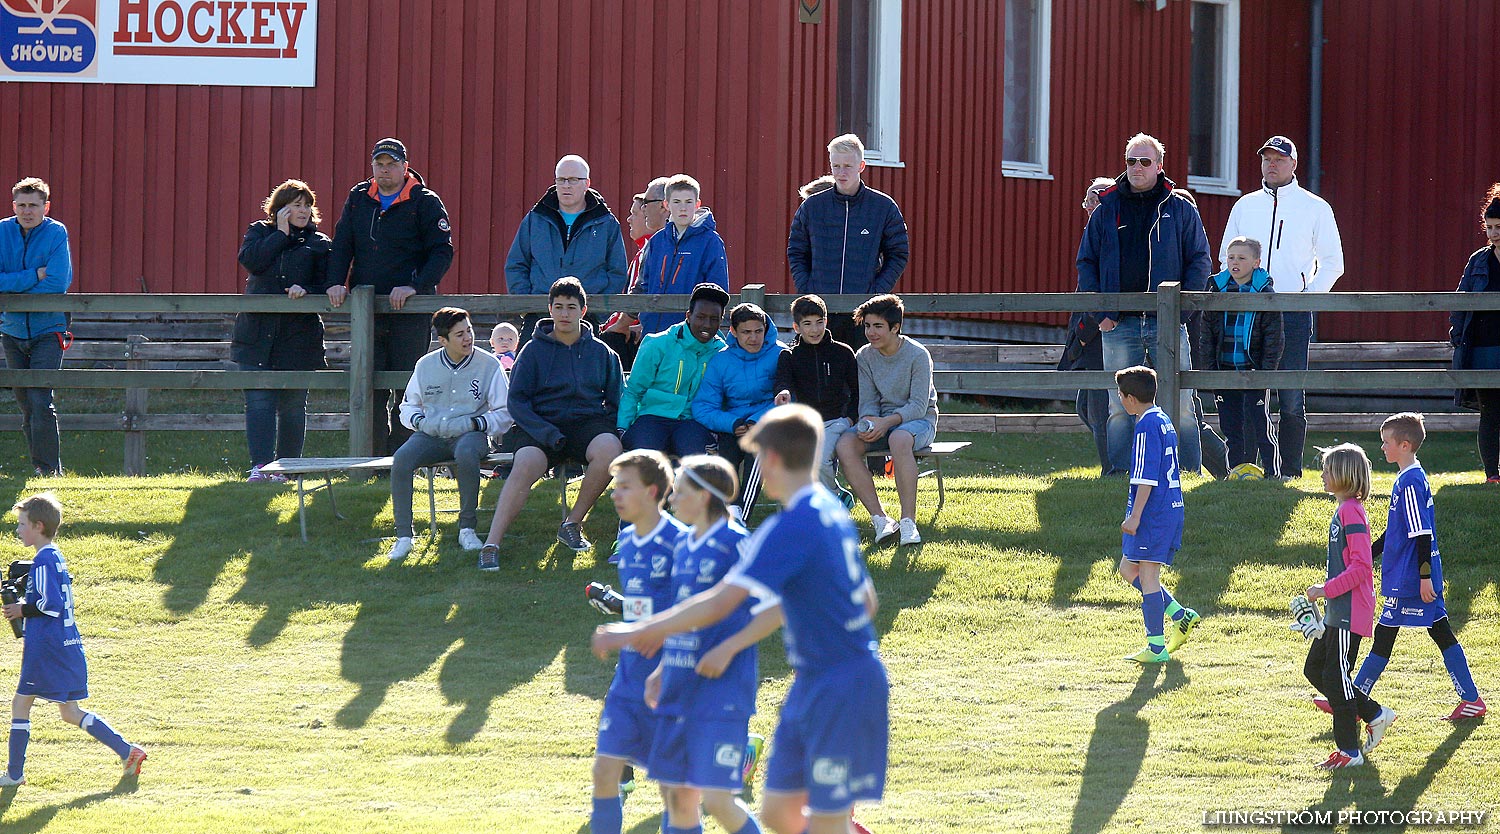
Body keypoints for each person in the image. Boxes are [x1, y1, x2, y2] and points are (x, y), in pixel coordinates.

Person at [593, 404, 887, 834]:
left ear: (770, 458)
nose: (755, 472)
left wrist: (636, 632)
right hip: (815, 680)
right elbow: (866, 600)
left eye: (755, 459)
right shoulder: (828, 509)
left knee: (822, 819)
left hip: (840, 683)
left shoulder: (794, 523)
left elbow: (719, 603)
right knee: (777, 815)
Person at [646, 455, 772, 834]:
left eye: (679, 492)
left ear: (703, 497)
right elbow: (683, 615)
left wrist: (728, 648)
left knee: (716, 800)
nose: (670, 500)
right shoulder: (683, 546)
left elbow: (772, 610)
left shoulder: (737, 543)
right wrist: (661, 669)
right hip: (678, 687)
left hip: (723, 691)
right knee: (676, 794)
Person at [1076, 133, 1210, 476]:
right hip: (1118, 324)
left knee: (1180, 405)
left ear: (1159, 166)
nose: (1137, 167)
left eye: (1145, 161)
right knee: (1120, 406)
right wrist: (1100, 313)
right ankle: (1120, 474)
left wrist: (1183, 312)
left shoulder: (1179, 206)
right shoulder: (1106, 209)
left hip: (1166, 322)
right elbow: (1086, 263)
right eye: (1131, 161)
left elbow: (1199, 261)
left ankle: (1188, 473)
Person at [1219, 136, 1345, 479]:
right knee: (1247, 390)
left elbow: (1333, 262)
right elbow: (1224, 256)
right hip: (1247, 312)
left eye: (1278, 158)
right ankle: (1244, 468)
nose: (1271, 164)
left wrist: (1307, 297)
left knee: (1290, 394)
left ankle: (1289, 471)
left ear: (1293, 163)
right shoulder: (1245, 205)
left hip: (1291, 312)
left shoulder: (1315, 207)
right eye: (1266, 159)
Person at [1346, 414, 1485, 720]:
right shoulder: (1410, 477)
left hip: (1411, 577)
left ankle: (1353, 700)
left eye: (1386, 442)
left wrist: (1424, 577)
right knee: (1416, 633)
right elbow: (1397, 532)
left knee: (1401, 633)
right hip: (1409, 575)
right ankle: (1355, 699)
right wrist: (1367, 557)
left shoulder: (1409, 481)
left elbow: (1421, 533)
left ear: (1404, 445)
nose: (1382, 447)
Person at [1, 494, 147, 787]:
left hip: (47, 650)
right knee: (70, 712)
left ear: (38, 526)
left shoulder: (42, 560)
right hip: (67, 645)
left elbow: (50, 604)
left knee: (20, 704)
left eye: (22, 524)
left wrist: (20, 609)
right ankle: (127, 751)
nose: (18, 530)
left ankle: (14, 775)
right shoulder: (54, 556)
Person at [478, 278, 624, 570]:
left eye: (571, 307)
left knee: (611, 450)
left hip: (587, 424)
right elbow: (517, 401)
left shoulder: (603, 353)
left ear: (583, 311)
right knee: (526, 463)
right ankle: (491, 544)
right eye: (558, 307)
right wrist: (546, 432)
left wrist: (608, 426)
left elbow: (617, 399)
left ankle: (572, 523)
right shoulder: (532, 350)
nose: (565, 314)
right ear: (550, 309)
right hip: (540, 427)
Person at [327, 137, 455, 455]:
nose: (385, 171)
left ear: (404, 167)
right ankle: (369, 455)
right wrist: (334, 282)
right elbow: (342, 243)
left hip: (409, 309)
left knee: (407, 384)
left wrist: (415, 286)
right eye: (379, 165)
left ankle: (402, 457)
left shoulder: (425, 201)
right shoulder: (359, 198)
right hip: (367, 309)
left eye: (391, 165)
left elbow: (441, 251)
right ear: (372, 167)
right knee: (367, 383)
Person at [589, 450, 684, 834]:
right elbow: (647, 604)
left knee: (673, 787)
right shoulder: (625, 541)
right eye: (615, 486)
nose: (615, 494)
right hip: (628, 678)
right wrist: (620, 607)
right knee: (605, 770)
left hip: (669, 676)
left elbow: (695, 612)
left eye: (625, 486)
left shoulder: (680, 543)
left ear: (653, 491)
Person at [386, 307, 512, 563]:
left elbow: (505, 412)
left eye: (469, 331)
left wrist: (476, 423)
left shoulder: (490, 365)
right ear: (443, 341)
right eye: (459, 335)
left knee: (466, 453)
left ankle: (467, 528)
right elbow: (408, 406)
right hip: (431, 434)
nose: (468, 338)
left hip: (471, 435)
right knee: (401, 458)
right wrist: (420, 422)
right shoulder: (425, 365)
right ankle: (403, 537)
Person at [233, 179, 334, 482]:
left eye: (307, 205)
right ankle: (261, 467)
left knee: (292, 406)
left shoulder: (319, 243)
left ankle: (288, 469)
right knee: (259, 401)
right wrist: (280, 233)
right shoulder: (259, 233)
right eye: (296, 205)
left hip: (298, 338)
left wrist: (309, 290)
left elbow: (330, 282)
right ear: (280, 209)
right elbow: (251, 262)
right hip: (256, 335)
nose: (304, 211)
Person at [1302, 443, 1392, 769]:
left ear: (1343, 475)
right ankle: (1373, 713)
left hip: (1349, 610)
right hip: (1337, 610)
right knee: (1315, 669)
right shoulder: (1343, 510)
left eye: (1327, 469)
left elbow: (1361, 567)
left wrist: (1324, 589)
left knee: (1335, 678)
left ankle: (1349, 752)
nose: (1322, 474)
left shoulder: (1351, 511)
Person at [787, 134, 909, 348]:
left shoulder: (882, 207)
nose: (841, 173)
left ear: (861, 166)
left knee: (859, 373)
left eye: (847, 166)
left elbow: (898, 254)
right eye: (836, 166)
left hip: (863, 313)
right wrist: (807, 287)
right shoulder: (813, 207)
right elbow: (797, 251)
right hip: (820, 312)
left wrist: (875, 291)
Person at [1112, 366, 1200, 663]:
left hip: (1154, 512)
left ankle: (1156, 648)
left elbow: (1147, 477)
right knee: (1127, 568)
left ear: (1130, 399)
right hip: (1169, 508)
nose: (1120, 400)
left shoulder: (1146, 426)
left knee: (1148, 577)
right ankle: (1180, 614)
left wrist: (1135, 516)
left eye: (1121, 395)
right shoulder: (1162, 419)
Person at [835, 294, 938, 547]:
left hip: (918, 421)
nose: (871, 332)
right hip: (882, 422)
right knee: (845, 445)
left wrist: (886, 423)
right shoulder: (865, 356)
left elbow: (918, 406)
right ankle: (880, 519)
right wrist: (870, 422)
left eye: (878, 326)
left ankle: (908, 523)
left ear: (895, 327)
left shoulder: (918, 355)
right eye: (868, 326)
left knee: (899, 438)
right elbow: (867, 401)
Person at [503, 154, 629, 341]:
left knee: (586, 371)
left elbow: (617, 272)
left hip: (586, 319)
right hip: (540, 318)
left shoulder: (606, 223)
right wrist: (528, 304)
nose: (566, 186)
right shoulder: (535, 219)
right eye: (561, 180)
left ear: (587, 183)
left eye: (573, 180)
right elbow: (516, 264)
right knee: (529, 370)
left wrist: (597, 311)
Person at [0, 178, 72, 476]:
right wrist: (34, 275)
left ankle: (49, 470)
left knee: (41, 401)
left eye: (33, 205)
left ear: (46, 206)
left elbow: (58, 282)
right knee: (26, 404)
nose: (27, 211)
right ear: (13, 205)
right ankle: (39, 467)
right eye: (22, 205)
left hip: (48, 329)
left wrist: (13, 286)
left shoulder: (56, 232)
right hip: (13, 329)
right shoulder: (2, 231)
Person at [1196, 236, 1284, 476]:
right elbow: (1206, 335)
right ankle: (1234, 473)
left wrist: (1266, 373)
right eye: (1231, 257)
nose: (1234, 262)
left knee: (1260, 424)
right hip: (1224, 368)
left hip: (1253, 370)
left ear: (1256, 262)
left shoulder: (1265, 293)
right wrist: (1211, 372)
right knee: (1230, 427)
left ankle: (1272, 474)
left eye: (1241, 258)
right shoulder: (1216, 289)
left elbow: (1273, 338)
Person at [618, 283, 729, 457]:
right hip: (653, 416)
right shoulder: (658, 344)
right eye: (700, 317)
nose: (706, 324)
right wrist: (622, 427)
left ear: (721, 320)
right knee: (646, 462)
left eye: (714, 319)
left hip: (693, 420)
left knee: (695, 462)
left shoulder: (721, 353)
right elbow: (634, 390)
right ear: (688, 316)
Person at [691, 303, 786, 490]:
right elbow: (703, 406)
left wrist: (758, 421)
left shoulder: (781, 354)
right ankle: (730, 509)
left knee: (757, 449)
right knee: (726, 458)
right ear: (734, 331)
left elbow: (792, 397)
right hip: (735, 425)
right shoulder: (721, 360)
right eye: (746, 332)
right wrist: (732, 424)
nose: (753, 338)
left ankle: (741, 516)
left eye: (759, 331)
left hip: (771, 425)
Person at [774, 294, 858, 504]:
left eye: (819, 323)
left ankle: (829, 501)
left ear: (826, 321)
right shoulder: (789, 355)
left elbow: (858, 390)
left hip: (837, 421)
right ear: (796, 327)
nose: (814, 330)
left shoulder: (843, 352)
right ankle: (836, 495)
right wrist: (783, 392)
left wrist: (849, 418)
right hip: (806, 425)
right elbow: (783, 381)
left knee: (819, 461)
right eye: (807, 324)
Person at [1062, 177, 1121, 475]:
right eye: (1085, 201)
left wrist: (1085, 333)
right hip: (1086, 332)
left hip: (1100, 336)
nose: (1086, 207)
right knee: (1084, 408)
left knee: (1100, 413)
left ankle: (1112, 472)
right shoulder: (1094, 233)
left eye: (1091, 200)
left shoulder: (1110, 235)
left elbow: (1101, 291)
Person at [636, 174, 730, 336]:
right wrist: (645, 318)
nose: (683, 208)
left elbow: (717, 289)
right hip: (653, 332)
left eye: (688, 202)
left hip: (691, 333)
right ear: (666, 204)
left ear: (697, 204)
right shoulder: (657, 241)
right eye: (677, 202)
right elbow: (644, 284)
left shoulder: (711, 241)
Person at [1450, 183, 1500, 483]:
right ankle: (1492, 475)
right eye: (1489, 227)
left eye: (1499, 227)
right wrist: (1457, 334)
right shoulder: (1478, 261)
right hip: (1483, 347)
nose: (1494, 233)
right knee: (1491, 413)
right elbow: (1460, 299)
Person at [600, 177, 672, 369]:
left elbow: (640, 293)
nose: (630, 218)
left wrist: (619, 325)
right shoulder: (650, 248)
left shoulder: (656, 247)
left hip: (652, 336)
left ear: (664, 206)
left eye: (637, 211)